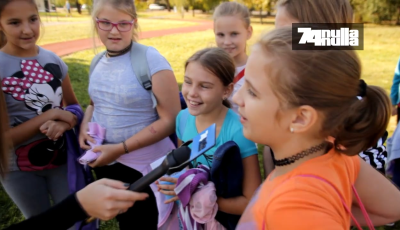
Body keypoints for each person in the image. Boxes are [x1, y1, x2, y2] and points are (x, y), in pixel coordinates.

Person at [234, 26, 400, 229]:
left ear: (301, 118)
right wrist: (328, 214)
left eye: (252, 92)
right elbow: (392, 207)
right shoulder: (337, 157)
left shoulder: (292, 210)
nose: (236, 98)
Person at [79, 0, 181, 229]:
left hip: (148, 169)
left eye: (123, 23)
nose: (114, 31)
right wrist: (85, 126)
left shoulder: (150, 60)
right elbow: (95, 104)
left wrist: (119, 148)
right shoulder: (97, 61)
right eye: (106, 23)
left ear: (134, 23)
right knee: (126, 221)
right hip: (107, 164)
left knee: (150, 222)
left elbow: (171, 119)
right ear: (96, 23)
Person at [274, 0, 388, 175]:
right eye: (276, 33)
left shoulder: (353, 111)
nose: (275, 44)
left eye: (286, 36)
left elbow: (364, 192)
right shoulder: (289, 94)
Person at [0, 1, 79, 229]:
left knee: (74, 221)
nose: (27, 29)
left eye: (33, 19)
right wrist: (49, 116)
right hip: (18, 171)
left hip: (63, 162)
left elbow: (74, 108)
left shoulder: (53, 60)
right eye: (15, 22)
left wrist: (64, 124)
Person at [156, 48, 261, 216]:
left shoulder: (239, 132)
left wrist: (194, 197)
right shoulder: (183, 119)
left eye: (204, 86)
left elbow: (251, 202)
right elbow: (185, 167)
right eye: (188, 82)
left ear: (227, 91)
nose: (192, 93)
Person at [213, 1, 274, 178]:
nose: (227, 42)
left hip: (244, 146)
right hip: (213, 142)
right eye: (221, 34)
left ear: (248, 32)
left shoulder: (258, 68)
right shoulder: (211, 67)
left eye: (234, 34)